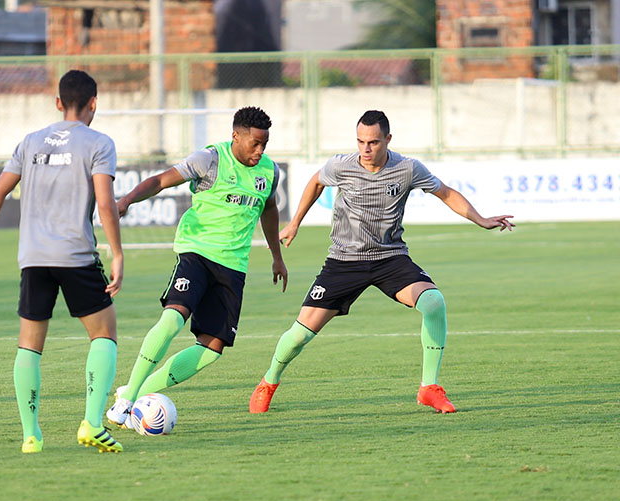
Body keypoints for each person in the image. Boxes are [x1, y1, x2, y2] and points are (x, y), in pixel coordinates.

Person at [249, 110, 515, 414]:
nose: (366, 149)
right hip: (344, 261)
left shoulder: (407, 168)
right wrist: (295, 221)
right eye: (361, 141)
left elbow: (445, 192)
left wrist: (480, 219)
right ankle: (268, 383)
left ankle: (429, 387)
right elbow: (316, 182)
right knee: (299, 335)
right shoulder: (342, 165)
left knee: (433, 302)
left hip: (390, 258)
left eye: (373, 142)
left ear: (387, 139)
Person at [0, 70, 124, 453]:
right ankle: (91, 423)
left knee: (29, 346)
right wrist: (117, 253)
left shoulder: (30, 142)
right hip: (75, 255)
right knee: (104, 335)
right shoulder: (99, 143)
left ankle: (31, 436)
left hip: (33, 258)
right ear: (93, 104)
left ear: (57, 102)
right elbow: (104, 203)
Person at [106, 106, 288, 427]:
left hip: (233, 269)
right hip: (197, 254)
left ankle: (137, 393)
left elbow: (269, 209)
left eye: (264, 144)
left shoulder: (269, 172)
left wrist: (276, 255)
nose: (259, 151)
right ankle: (126, 399)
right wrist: (126, 201)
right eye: (254, 144)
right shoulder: (211, 160)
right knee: (173, 318)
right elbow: (161, 180)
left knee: (212, 348)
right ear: (236, 136)